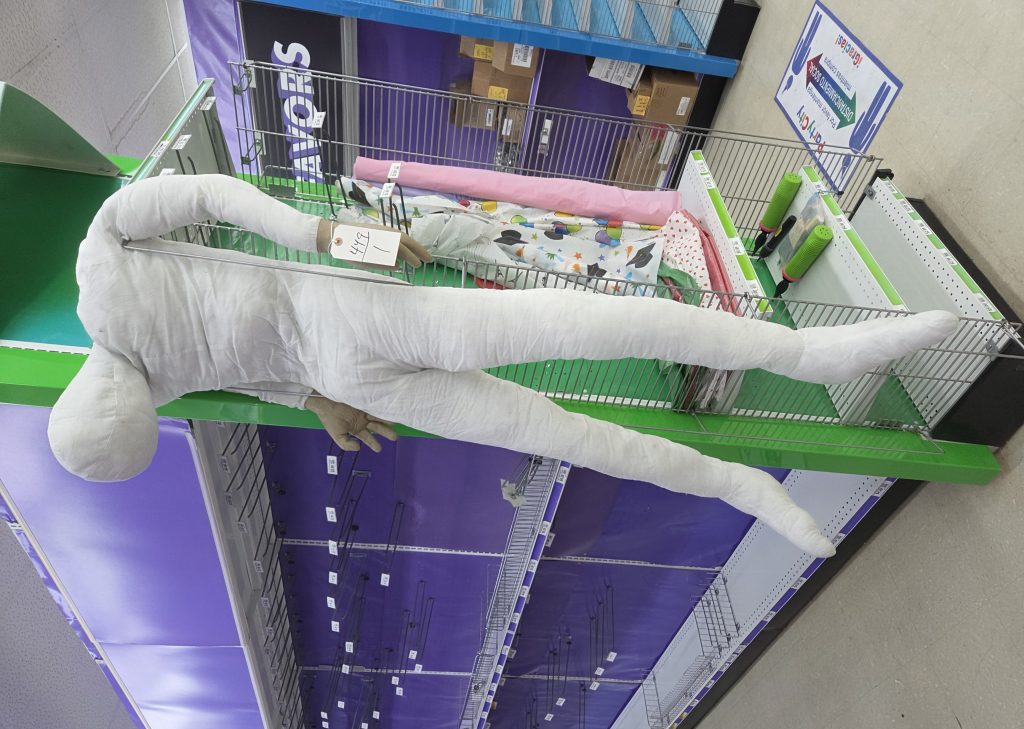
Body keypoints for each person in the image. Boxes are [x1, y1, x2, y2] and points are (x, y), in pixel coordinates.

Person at [48, 174, 959, 557]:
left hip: (347, 304)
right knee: (561, 434)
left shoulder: (101, 260)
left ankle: (809, 353)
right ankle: (741, 487)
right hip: (349, 376)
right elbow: (243, 365)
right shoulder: (155, 381)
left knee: (586, 325)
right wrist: (315, 399)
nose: (137, 402)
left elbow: (210, 195)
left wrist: (330, 235)